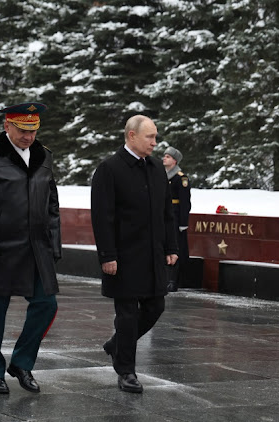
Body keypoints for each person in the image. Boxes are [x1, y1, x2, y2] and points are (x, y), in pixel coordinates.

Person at [0, 102, 61, 395]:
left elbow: (52, 205)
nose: (28, 137)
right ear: (7, 126)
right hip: (0, 248)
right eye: (22, 130)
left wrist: (54, 244)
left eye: (33, 130)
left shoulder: (44, 157)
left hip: (36, 249)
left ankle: (21, 363)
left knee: (47, 305)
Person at [90, 115, 179, 394]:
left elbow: (167, 212)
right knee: (127, 314)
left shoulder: (154, 167)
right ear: (131, 136)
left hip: (152, 254)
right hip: (124, 256)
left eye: (155, 136)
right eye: (149, 137)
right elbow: (102, 217)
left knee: (155, 307)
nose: (155, 142)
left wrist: (171, 246)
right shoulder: (110, 169)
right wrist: (107, 255)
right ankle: (126, 370)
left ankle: (117, 345)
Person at [162, 146, 191, 292]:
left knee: (175, 248)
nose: (164, 158)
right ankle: (164, 278)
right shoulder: (162, 175)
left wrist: (183, 223)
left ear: (174, 160)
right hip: (163, 217)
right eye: (164, 156)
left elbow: (185, 202)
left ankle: (173, 280)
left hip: (175, 218)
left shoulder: (181, 178)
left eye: (168, 156)